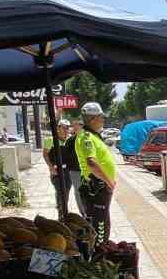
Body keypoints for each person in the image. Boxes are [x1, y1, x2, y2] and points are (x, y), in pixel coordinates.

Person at [75, 102, 117, 245]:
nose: (103, 120)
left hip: (100, 187)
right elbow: (91, 163)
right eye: (101, 117)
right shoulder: (87, 137)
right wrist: (109, 181)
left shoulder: (93, 136)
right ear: (93, 119)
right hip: (96, 188)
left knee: (103, 222)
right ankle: (99, 256)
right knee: (100, 226)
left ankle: (100, 251)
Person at [45, 118, 84, 216]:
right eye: (64, 128)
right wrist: (50, 167)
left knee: (66, 193)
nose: (66, 130)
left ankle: (63, 212)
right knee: (61, 193)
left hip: (68, 171)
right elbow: (45, 154)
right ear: (58, 128)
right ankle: (61, 215)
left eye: (67, 128)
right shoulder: (50, 140)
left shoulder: (70, 140)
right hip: (57, 171)